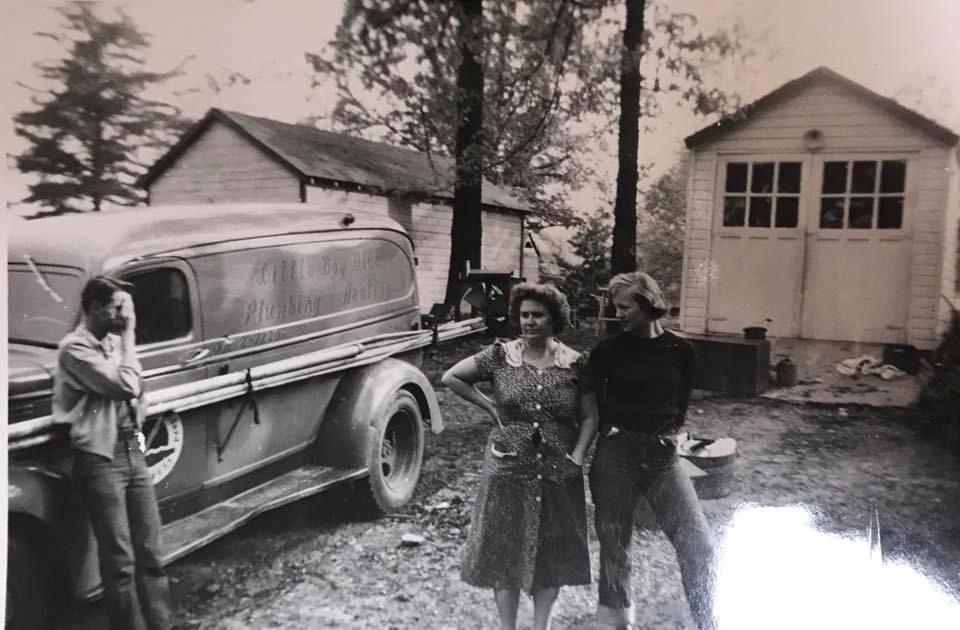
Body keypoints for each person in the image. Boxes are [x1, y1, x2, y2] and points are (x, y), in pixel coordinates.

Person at [442, 282, 598, 630]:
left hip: (559, 467)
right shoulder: (501, 356)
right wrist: (489, 406)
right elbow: (451, 377)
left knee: (554, 551)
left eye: (538, 315)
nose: (529, 322)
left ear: (553, 318)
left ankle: (541, 626)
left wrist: (577, 456)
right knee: (503, 551)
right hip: (507, 466)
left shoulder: (575, 363)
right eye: (524, 315)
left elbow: (590, 418)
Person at [588, 272, 716, 630]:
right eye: (616, 307)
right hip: (617, 454)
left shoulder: (682, 351)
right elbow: (591, 402)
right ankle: (616, 621)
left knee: (698, 545)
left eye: (625, 306)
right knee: (615, 542)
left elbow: (680, 404)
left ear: (648, 305)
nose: (619, 314)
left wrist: (671, 436)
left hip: (663, 457)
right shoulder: (607, 351)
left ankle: (708, 621)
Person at [53, 275, 172, 630]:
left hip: (131, 446)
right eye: (117, 307)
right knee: (120, 559)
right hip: (100, 456)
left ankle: (163, 625)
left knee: (151, 549)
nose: (125, 315)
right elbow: (125, 385)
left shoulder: (113, 346)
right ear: (93, 309)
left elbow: (139, 390)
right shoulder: (74, 349)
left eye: (126, 307)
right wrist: (130, 339)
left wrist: (137, 426)